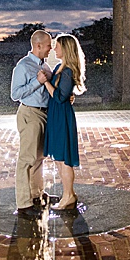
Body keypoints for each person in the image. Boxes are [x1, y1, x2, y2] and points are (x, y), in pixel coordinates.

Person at [10, 29, 54, 210]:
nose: (50, 49)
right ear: (38, 46)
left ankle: (36, 194)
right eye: (48, 46)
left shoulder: (46, 66)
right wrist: (37, 81)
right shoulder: (23, 66)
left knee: (39, 157)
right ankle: (23, 203)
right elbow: (15, 94)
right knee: (26, 159)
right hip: (30, 114)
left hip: (44, 114)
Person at [42, 33, 86, 211]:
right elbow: (64, 93)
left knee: (64, 158)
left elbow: (60, 97)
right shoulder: (61, 67)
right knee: (59, 159)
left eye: (57, 46)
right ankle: (68, 194)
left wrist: (45, 82)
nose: (54, 48)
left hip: (61, 115)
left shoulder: (67, 71)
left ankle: (68, 195)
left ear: (65, 49)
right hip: (57, 115)